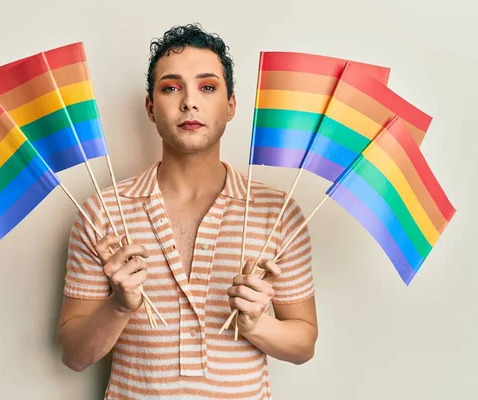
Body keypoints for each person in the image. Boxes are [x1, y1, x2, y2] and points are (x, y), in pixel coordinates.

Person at [56, 23, 318, 399]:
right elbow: (74, 356)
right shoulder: (103, 212)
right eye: (171, 87)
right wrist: (119, 305)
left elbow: (304, 344)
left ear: (230, 106)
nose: (189, 102)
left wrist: (258, 324)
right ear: (150, 107)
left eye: (207, 87)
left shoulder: (278, 213)